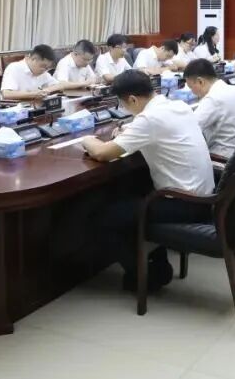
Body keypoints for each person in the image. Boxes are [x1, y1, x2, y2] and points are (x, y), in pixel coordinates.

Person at [82, 70, 214, 290]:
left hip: (184, 203)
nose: (124, 108)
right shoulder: (177, 106)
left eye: (123, 104)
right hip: (203, 196)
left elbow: (102, 153)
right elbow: (152, 129)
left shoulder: (150, 119)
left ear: (133, 99)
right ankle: (158, 264)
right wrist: (129, 131)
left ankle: (145, 277)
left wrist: (86, 139)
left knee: (106, 217)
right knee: (131, 193)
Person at [184, 58, 235, 158]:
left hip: (223, 158)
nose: (192, 92)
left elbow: (189, 129)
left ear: (200, 81)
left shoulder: (213, 99)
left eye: (191, 87)